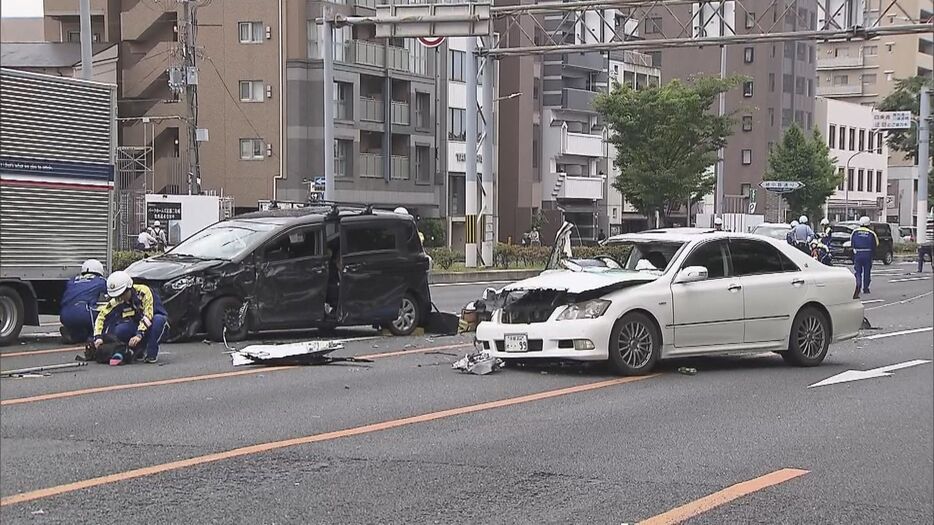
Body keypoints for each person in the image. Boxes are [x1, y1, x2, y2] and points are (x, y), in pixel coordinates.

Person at [93, 271, 168, 364]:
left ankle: (151, 352)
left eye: (122, 295)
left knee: (158, 320)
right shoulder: (118, 300)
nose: (121, 298)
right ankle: (136, 350)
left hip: (154, 323)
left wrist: (139, 335)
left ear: (129, 288)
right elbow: (102, 316)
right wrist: (98, 337)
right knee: (120, 329)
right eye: (117, 296)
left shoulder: (144, 292)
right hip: (137, 325)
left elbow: (148, 315)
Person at [59, 259, 107, 343]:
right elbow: (111, 293)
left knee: (80, 327)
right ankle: (93, 335)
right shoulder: (100, 281)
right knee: (104, 311)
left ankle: (73, 335)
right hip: (83, 312)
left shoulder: (72, 280)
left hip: (64, 314)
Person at [851, 216, 878, 295]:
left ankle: (858, 284)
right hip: (867, 254)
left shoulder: (855, 232)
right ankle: (866, 288)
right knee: (867, 272)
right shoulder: (871, 233)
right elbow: (876, 244)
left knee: (858, 271)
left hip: (857, 253)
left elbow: (852, 242)